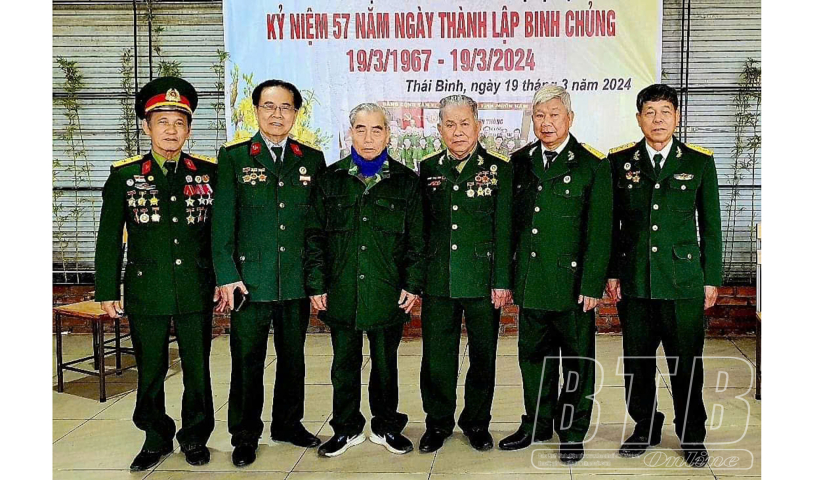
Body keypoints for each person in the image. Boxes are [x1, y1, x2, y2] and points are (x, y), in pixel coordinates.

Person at [94, 77, 219, 471]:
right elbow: (109, 237)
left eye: (179, 122)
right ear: (146, 127)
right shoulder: (125, 175)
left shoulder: (208, 173)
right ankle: (155, 436)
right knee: (150, 368)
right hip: (146, 288)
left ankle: (195, 436)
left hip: (195, 287)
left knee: (197, 367)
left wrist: (222, 279)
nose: (171, 130)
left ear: (189, 129)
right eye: (162, 121)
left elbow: (219, 234)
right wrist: (106, 290)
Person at [606, 83, 722, 468]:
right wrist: (612, 272)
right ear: (639, 118)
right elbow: (611, 225)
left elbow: (712, 226)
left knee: (686, 364)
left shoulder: (699, 162)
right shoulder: (619, 161)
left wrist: (711, 278)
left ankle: (692, 435)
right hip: (636, 281)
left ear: (677, 117)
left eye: (665, 112)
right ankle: (645, 427)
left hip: (683, 282)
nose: (658, 120)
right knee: (638, 362)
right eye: (650, 113)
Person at [212, 79, 326, 467]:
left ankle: (288, 424)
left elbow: (316, 226)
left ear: (296, 113)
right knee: (247, 362)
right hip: (250, 282)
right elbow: (222, 224)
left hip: (294, 279)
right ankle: (244, 435)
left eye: (285, 107)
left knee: (293, 359)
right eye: (269, 106)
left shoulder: (311, 159)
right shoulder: (234, 158)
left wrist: (316, 278)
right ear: (256, 110)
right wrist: (227, 275)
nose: (277, 115)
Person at [498, 85, 612, 464]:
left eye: (554, 115)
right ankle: (536, 423)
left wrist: (592, 284)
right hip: (532, 282)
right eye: (540, 115)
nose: (546, 123)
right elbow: (509, 227)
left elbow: (600, 232)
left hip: (572, 287)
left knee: (577, 362)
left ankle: (572, 432)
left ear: (570, 118)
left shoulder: (592, 165)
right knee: (533, 359)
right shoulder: (520, 163)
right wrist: (507, 279)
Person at [305, 103, 425, 457]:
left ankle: (386, 426)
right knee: (344, 365)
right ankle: (346, 428)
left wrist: (412, 284)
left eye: (376, 130)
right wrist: (316, 284)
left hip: (388, 291)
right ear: (350, 134)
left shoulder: (406, 182)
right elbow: (314, 237)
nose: (368, 138)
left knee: (386, 365)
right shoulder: (330, 179)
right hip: (342, 289)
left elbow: (417, 241)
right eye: (361, 129)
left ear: (388, 135)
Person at [418, 95, 513, 453]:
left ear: (478, 126)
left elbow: (504, 229)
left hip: (482, 281)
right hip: (438, 279)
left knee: (483, 358)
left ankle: (476, 423)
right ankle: (437, 423)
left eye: (464, 124)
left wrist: (501, 280)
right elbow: (422, 228)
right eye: (450, 124)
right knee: (437, 358)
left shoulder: (499, 169)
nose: (457, 132)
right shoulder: (428, 168)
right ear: (439, 128)